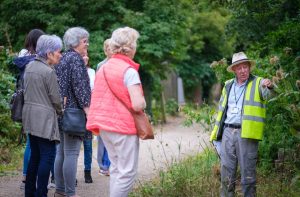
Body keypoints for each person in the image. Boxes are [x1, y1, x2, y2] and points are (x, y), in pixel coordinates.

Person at [87, 26, 146, 197]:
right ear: (130, 47)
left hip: (104, 126)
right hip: (123, 127)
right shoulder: (129, 71)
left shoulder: (103, 68)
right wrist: (143, 101)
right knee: (127, 172)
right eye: (135, 44)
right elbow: (137, 104)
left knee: (116, 168)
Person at [210, 52, 274, 197]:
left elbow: (268, 94)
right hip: (227, 131)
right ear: (234, 70)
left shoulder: (259, 82)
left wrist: (269, 86)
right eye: (239, 68)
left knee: (248, 175)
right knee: (226, 174)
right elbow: (221, 110)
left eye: (245, 67)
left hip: (247, 133)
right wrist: (217, 133)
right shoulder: (227, 85)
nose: (243, 70)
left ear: (249, 68)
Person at [23, 34, 63, 197]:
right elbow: (56, 99)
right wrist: (61, 109)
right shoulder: (48, 72)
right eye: (58, 51)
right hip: (45, 120)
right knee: (47, 156)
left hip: (30, 117)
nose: (60, 54)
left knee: (35, 156)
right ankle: (41, 193)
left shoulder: (30, 66)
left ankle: (29, 192)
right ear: (49, 53)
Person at [54, 27, 91, 197]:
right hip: (74, 113)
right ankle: (70, 193)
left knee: (61, 152)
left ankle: (60, 191)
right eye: (84, 41)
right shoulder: (75, 59)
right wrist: (88, 111)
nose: (87, 44)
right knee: (71, 153)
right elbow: (80, 87)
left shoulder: (63, 58)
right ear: (76, 42)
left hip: (61, 111)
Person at [12, 29, 45, 190]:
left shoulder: (22, 56)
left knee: (29, 142)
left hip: (23, 103)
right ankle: (34, 176)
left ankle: (26, 175)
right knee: (36, 143)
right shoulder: (36, 60)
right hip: (35, 103)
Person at [96, 39, 112, 176]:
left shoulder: (119, 65)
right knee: (103, 138)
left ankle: (110, 164)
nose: (109, 50)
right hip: (103, 105)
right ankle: (103, 165)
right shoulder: (100, 65)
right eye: (107, 47)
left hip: (114, 106)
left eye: (111, 47)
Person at [82, 53, 94, 183]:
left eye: (86, 55)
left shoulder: (91, 72)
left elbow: (94, 90)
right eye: (82, 56)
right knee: (72, 147)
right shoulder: (70, 70)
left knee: (88, 144)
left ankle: (87, 171)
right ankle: (71, 175)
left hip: (88, 111)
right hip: (74, 112)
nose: (85, 57)